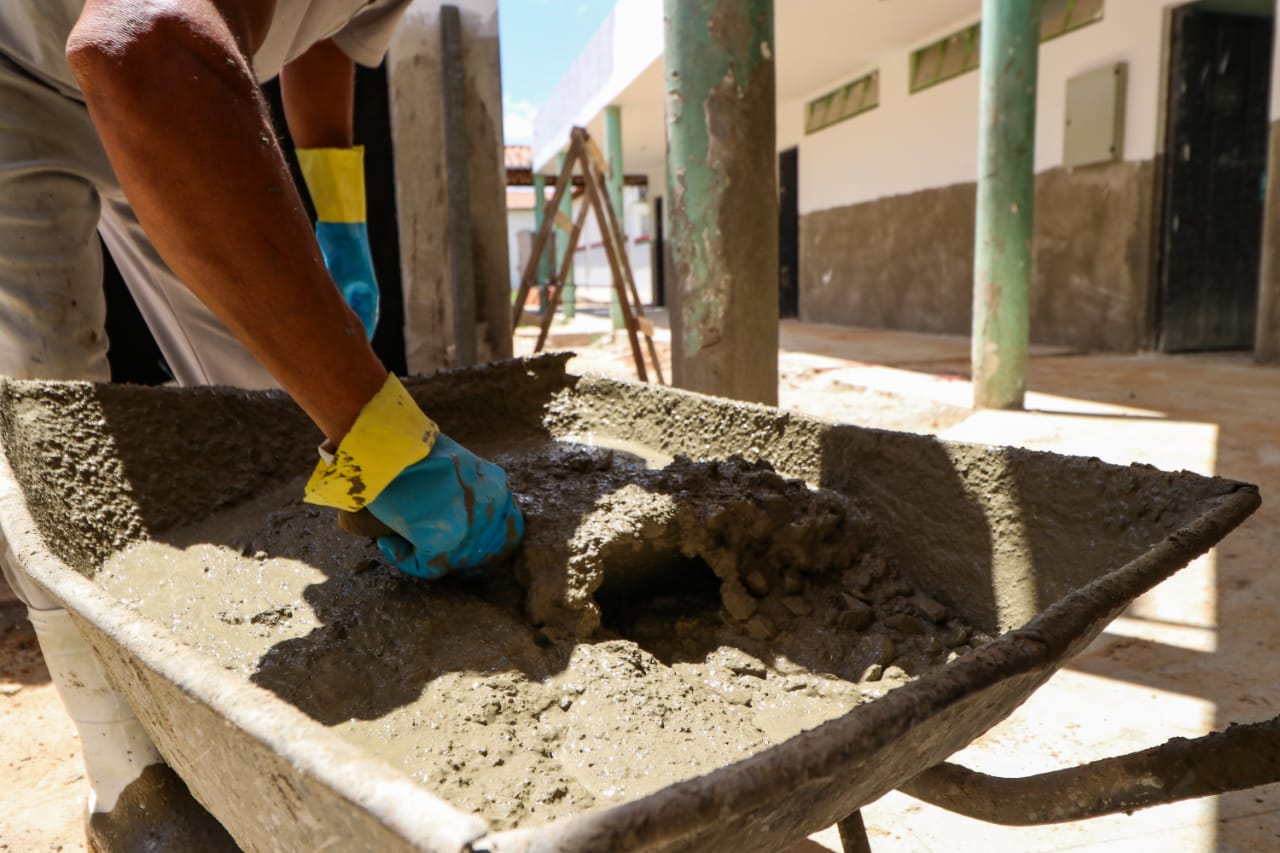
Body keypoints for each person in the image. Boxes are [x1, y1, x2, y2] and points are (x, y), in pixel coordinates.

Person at [0, 1, 524, 848]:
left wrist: (339, 216)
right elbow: (141, 44)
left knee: (271, 396)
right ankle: (127, 781)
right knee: (50, 412)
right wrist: (381, 432)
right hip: (23, 73)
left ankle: (290, 677)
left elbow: (329, 32)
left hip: (165, 68)